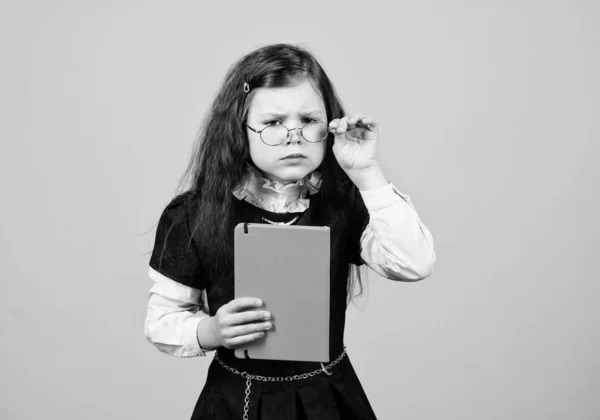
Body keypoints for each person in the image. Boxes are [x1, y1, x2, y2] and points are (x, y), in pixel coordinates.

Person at [145, 43, 436, 420]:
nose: (293, 135)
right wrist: (211, 331)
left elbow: (414, 264)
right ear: (239, 129)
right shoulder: (194, 214)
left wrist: (365, 172)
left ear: (329, 125)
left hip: (327, 397)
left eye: (309, 120)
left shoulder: (343, 202)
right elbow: (161, 321)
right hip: (237, 400)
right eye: (272, 123)